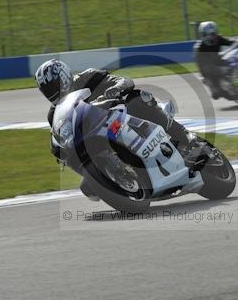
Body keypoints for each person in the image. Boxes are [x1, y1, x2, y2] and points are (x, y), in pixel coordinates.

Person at [35, 59, 197, 200]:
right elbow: (61, 133)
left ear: (63, 76)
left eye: (53, 85)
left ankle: (185, 136)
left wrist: (115, 89)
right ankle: (121, 180)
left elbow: (124, 81)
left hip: (119, 115)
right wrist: (60, 149)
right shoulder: (54, 114)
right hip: (93, 138)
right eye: (46, 90)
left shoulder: (88, 77)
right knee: (87, 187)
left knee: (138, 98)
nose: (51, 92)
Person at [194, 21, 235, 99]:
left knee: (233, 61)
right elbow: (200, 65)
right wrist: (206, 79)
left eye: (214, 33)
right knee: (216, 94)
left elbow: (230, 42)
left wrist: (237, 41)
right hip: (208, 70)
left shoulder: (218, 38)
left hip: (219, 61)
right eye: (210, 34)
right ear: (203, 34)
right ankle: (220, 88)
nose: (212, 36)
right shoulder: (199, 47)